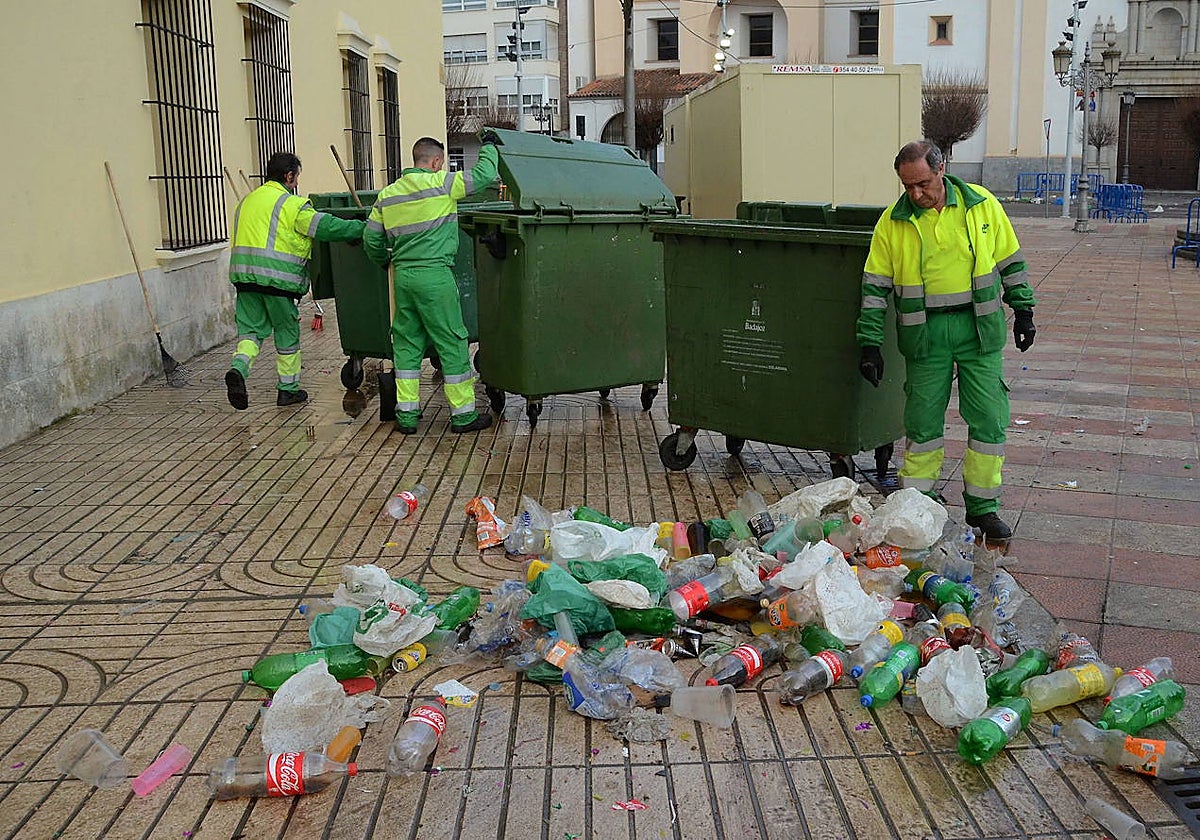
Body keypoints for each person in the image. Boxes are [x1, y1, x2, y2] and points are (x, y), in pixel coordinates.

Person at [856, 139, 1037, 541]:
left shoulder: (981, 205)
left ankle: (983, 508)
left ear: (941, 169)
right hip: (925, 336)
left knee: (990, 419)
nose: (916, 194)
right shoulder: (893, 223)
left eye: (923, 184)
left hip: (979, 330)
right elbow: (874, 287)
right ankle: (918, 504)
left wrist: (1023, 310)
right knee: (922, 424)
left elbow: (1011, 261)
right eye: (907, 186)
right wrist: (869, 343)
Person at [364, 133, 499, 434]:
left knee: (407, 343)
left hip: (402, 277)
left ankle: (407, 415)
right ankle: (463, 415)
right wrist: (489, 146)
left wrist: (384, 261)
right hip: (435, 276)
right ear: (436, 162)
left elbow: (370, 238)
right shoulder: (443, 184)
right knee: (451, 340)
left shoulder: (387, 195)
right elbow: (484, 175)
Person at [224, 152, 364, 410]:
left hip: (245, 281)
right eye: (296, 177)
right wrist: (359, 228)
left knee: (250, 333)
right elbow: (324, 226)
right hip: (278, 283)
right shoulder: (291, 205)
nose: (297, 182)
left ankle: (238, 369)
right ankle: (287, 390)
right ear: (289, 176)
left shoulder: (246, 201)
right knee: (287, 335)